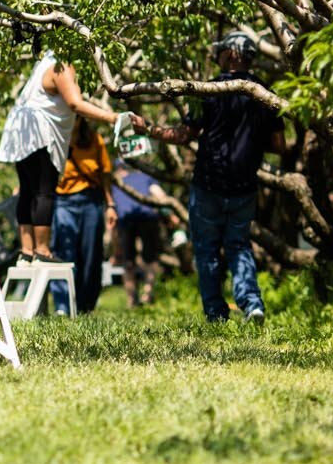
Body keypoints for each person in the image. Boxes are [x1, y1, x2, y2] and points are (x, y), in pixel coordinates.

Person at [125, 31, 282, 324]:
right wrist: (248, 135)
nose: (218, 56)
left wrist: (149, 129)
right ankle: (252, 304)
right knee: (239, 246)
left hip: (208, 184)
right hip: (245, 185)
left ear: (231, 54)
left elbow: (184, 135)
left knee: (207, 250)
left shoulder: (209, 91)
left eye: (221, 51)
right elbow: (279, 145)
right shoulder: (266, 94)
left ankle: (215, 313)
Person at [0, 48, 119, 267]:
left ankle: (26, 251)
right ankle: (42, 250)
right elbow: (75, 103)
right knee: (44, 190)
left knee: (27, 190)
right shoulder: (62, 64)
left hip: (20, 129)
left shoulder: (43, 63)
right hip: (39, 132)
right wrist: (112, 117)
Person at [51, 118, 115, 315]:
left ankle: (86, 306)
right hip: (62, 200)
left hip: (91, 200)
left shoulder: (95, 140)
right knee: (64, 251)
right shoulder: (55, 138)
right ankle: (63, 306)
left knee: (91, 254)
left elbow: (105, 175)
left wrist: (110, 205)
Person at [109, 160, 172, 309]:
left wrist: (114, 249)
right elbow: (161, 195)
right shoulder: (145, 177)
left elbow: (110, 219)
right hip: (147, 217)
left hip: (126, 220)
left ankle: (132, 300)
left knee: (128, 262)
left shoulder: (116, 183)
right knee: (150, 258)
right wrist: (169, 215)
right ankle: (147, 294)